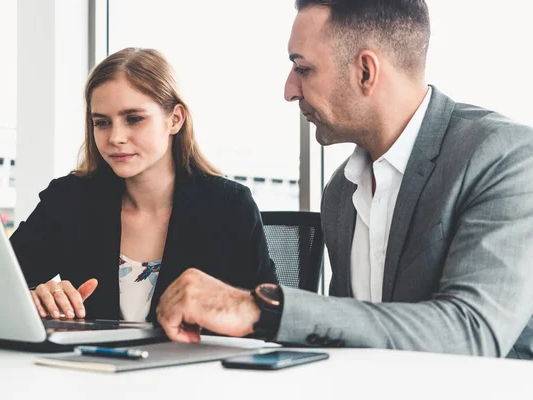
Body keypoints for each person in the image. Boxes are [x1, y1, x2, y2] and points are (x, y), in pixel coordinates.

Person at [156, 0, 533, 358]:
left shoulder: (505, 155)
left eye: (303, 69)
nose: (290, 90)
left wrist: (262, 309)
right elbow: (350, 335)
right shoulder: (341, 191)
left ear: (366, 72)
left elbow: (472, 333)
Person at [10, 48, 276, 323]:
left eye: (134, 119)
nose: (116, 137)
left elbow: (267, 319)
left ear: (175, 119)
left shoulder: (229, 207)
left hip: (194, 364)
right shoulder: (68, 200)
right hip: (92, 364)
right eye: (102, 122)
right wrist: (33, 297)